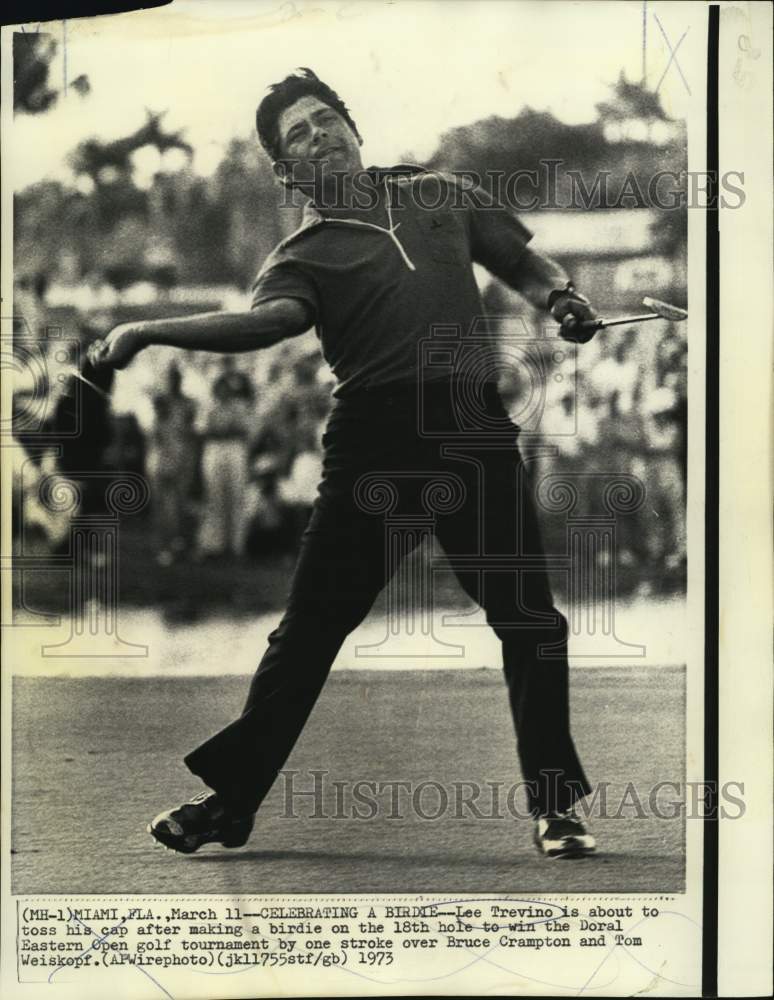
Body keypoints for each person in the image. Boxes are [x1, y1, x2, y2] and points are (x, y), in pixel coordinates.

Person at [92, 68, 601, 859]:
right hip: (374, 443)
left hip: (471, 422)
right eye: (296, 135)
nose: (317, 136)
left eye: (325, 119)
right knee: (309, 631)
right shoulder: (303, 254)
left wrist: (562, 298)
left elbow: (524, 265)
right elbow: (267, 325)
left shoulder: (442, 193)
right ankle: (232, 803)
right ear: (284, 170)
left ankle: (558, 807)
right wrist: (151, 331)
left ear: (354, 128)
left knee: (529, 618)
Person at [196, 356, 255, 560]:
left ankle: (236, 545)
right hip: (215, 449)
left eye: (227, 388)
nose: (224, 391)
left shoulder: (241, 406)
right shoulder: (209, 406)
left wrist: (227, 429)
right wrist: (224, 430)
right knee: (215, 495)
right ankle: (213, 544)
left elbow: (245, 430)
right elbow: (203, 431)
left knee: (236, 495)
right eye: (221, 386)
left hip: (235, 450)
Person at [147, 362, 198, 566]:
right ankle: (164, 546)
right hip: (162, 456)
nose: (174, 382)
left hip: (183, 456)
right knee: (162, 504)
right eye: (171, 378)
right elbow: (156, 433)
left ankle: (182, 544)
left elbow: (190, 431)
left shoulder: (187, 405)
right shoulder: (161, 402)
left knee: (181, 503)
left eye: (177, 378)